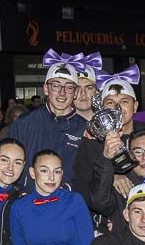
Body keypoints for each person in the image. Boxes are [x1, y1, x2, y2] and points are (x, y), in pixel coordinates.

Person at [5, 49, 89, 179]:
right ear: (45, 88)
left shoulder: (85, 129)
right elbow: (5, 159)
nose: (62, 93)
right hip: (30, 197)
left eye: (69, 87)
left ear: (76, 92)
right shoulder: (24, 123)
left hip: (69, 197)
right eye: (56, 85)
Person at [71, 65, 140, 216]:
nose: (117, 108)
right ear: (101, 108)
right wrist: (109, 176)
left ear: (135, 106)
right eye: (110, 102)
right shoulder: (89, 143)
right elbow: (85, 191)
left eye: (124, 101)